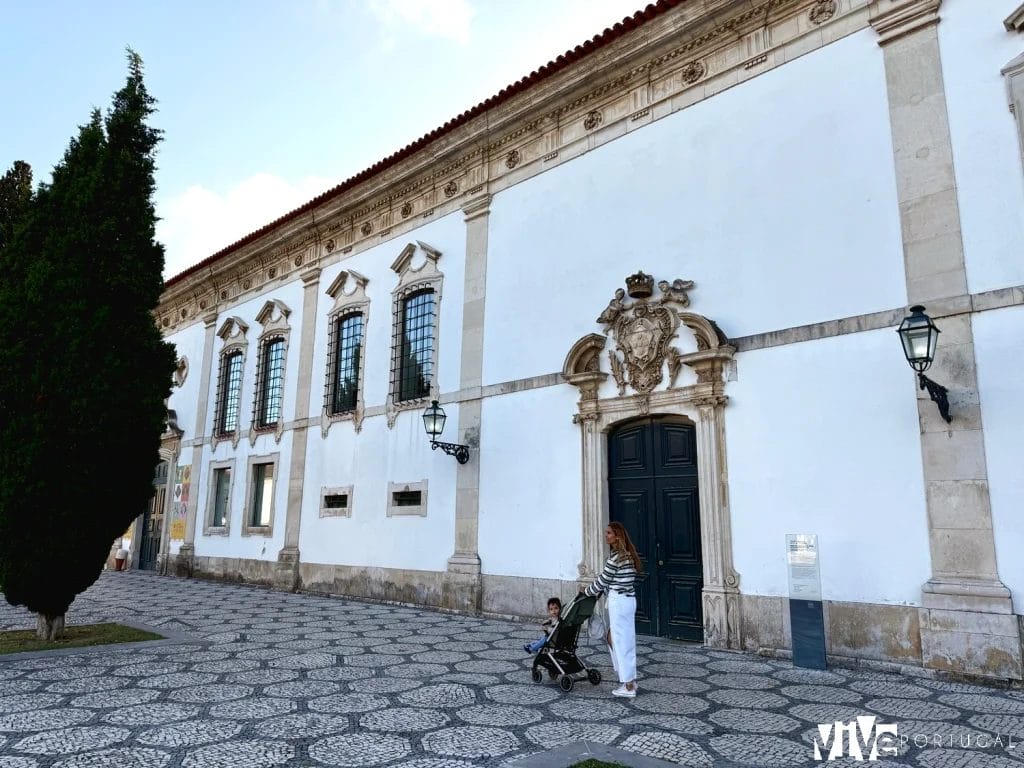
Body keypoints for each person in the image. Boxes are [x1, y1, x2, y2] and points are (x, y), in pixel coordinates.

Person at [584, 521, 641, 697]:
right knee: (612, 638)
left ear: (617, 535)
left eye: (608, 533)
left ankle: (629, 685)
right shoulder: (628, 556)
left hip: (619, 601)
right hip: (628, 601)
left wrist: (586, 592)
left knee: (621, 642)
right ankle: (627, 678)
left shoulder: (616, 558)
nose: (606, 535)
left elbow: (603, 580)